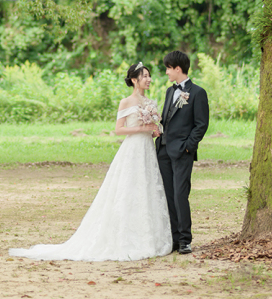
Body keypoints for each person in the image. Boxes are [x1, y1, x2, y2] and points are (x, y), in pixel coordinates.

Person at [9, 62, 172, 261]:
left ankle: (148, 237)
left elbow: (152, 126)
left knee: (145, 189)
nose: (149, 79)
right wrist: (141, 129)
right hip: (132, 150)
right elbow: (119, 129)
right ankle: (124, 237)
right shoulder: (126, 102)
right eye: (144, 76)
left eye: (149, 76)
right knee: (127, 190)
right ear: (133, 80)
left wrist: (155, 129)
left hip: (147, 149)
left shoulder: (150, 102)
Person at [157, 50, 209, 255]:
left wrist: (188, 146)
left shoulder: (198, 93)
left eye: (168, 68)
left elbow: (201, 125)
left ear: (177, 68)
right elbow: (166, 119)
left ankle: (186, 239)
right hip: (163, 150)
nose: (167, 72)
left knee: (180, 195)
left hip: (182, 152)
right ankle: (175, 240)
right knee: (169, 196)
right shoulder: (170, 92)